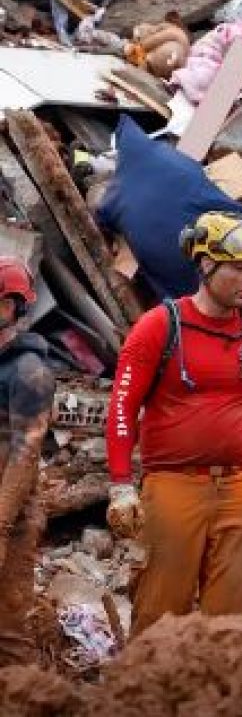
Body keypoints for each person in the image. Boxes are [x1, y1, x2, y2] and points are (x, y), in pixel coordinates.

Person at [105, 213, 242, 637]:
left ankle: (219, 680)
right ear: (207, 264)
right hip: (172, 485)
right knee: (161, 610)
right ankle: (150, 679)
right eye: (239, 268)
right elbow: (122, 407)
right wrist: (121, 486)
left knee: (234, 617)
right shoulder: (158, 327)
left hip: (240, 487)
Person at [0, 258, 53, 664]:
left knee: (8, 633)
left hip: (10, 519)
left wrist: (0, 526)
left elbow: (25, 453)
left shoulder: (29, 371)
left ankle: (20, 692)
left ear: (11, 307)